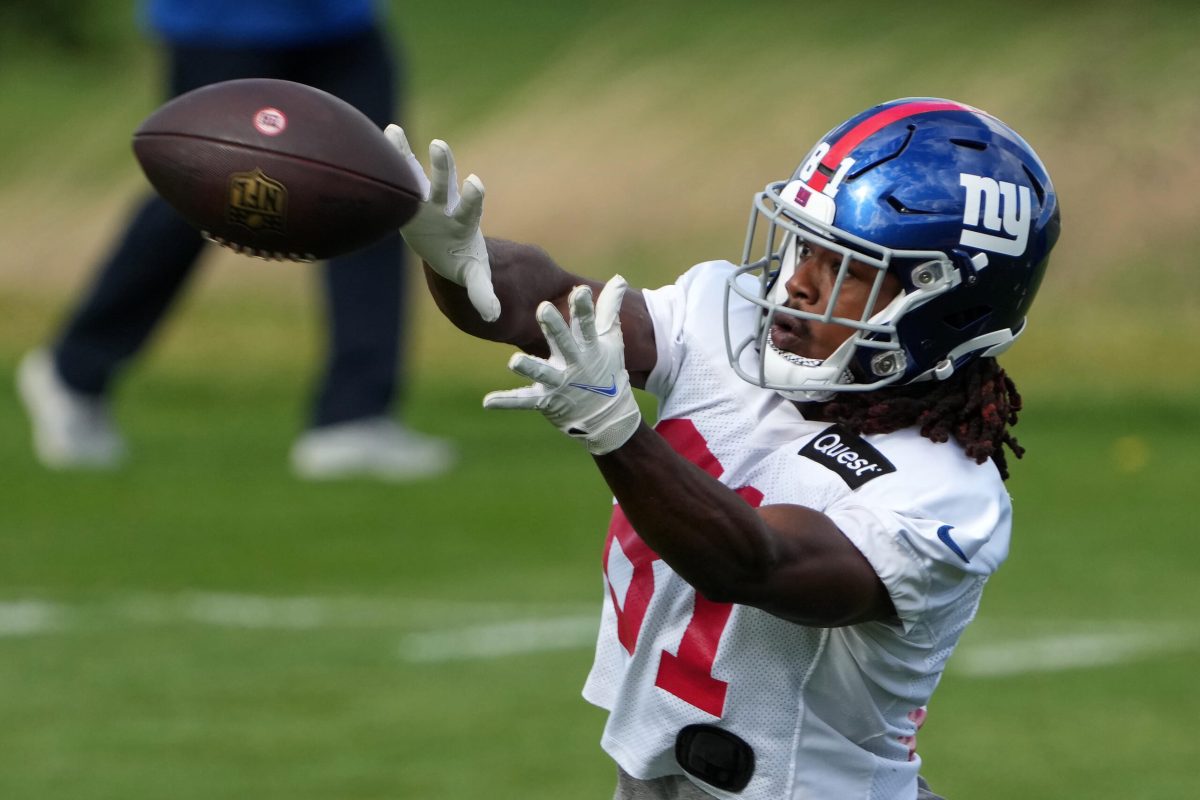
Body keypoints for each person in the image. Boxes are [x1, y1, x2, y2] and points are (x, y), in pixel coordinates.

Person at [391, 95, 1059, 799]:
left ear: (944, 307)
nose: (797, 283)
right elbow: (554, 307)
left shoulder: (948, 492)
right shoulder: (730, 322)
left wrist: (616, 432)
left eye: (848, 268)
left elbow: (755, 564)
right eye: (806, 245)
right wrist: (461, 261)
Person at [16, 0, 453, 481]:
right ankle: (74, 368)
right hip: (222, 26)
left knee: (374, 197)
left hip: (338, 22)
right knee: (197, 198)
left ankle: (354, 417)